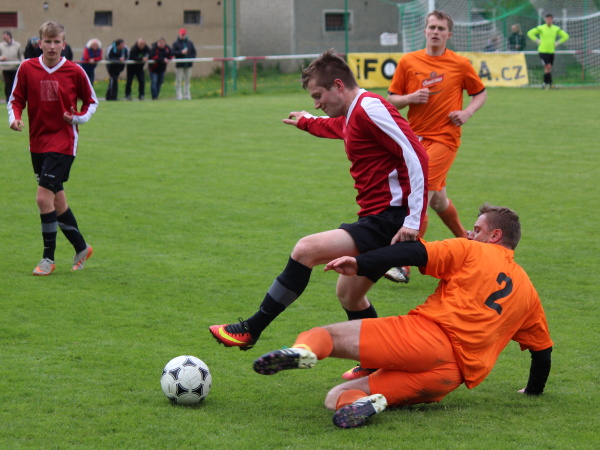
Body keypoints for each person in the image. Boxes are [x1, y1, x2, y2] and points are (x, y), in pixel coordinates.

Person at [209, 50, 428, 367]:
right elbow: (341, 127)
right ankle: (377, 363)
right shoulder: (355, 112)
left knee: (305, 250)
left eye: (318, 96)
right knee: (349, 294)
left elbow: (416, 153)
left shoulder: (370, 107)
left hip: (390, 219)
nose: (316, 104)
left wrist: (413, 220)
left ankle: (250, 329)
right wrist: (308, 122)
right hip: (379, 216)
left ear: (338, 85)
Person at [253, 204, 553, 429]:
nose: (470, 234)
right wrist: (533, 390)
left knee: (324, 336)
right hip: (448, 377)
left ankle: (303, 351)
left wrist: (360, 263)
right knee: (336, 396)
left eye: (476, 229)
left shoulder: (472, 250)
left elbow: (413, 253)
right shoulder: (529, 293)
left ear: (495, 235)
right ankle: (365, 404)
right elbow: (542, 352)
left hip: (424, 339)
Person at [385, 10, 487, 285]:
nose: (435, 32)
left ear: (448, 34)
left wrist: (467, 112)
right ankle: (470, 243)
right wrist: (410, 97)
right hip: (414, 139)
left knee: (420, 196)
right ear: (425, 31)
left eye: (441, 29)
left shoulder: (460, 63)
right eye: (432, 27)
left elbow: (480, 93)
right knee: (439, 199)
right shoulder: (408, 61)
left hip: (445, 138)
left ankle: (403, 264)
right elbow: (392, 99)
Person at [7, 21, 99, 276]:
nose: (52, 46)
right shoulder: (27, 68)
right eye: (47, 41)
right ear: (40, 43)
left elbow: (92, 101)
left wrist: (77, 118)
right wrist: (14, 118)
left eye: (56, 41)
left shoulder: (75, 71)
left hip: (63, 143)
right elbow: (16, 99)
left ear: (63, 44)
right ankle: (82, 248)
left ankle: (48, 258)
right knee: (57, 200)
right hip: (37, 142)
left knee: (42, 198)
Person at [527, 14, 569, 89]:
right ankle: (549, 84)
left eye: (550, 19)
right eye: (548, 19)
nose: (549, 20)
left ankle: (546, 84)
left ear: (552, 20)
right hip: (543, 51)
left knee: (548, 68)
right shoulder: (541, 28)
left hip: (551, 51)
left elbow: (566, 36)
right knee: (548, 66)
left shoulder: (556, 28)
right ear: (545, 20)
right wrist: (536, 40)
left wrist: (558, 42)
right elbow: (530, 33)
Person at [172, 28, 197, 100]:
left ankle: (187, 94)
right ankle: (179, 95)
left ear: (186, 34)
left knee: (187, 80)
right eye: (182, 34)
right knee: (179, 80)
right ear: (179, 34)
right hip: (180, 65)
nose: (183, 35)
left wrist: (191, 59)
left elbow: (194, 52)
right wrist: (181, 52)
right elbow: (173, 52)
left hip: (188, 65)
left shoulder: (190, 43)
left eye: (184, 34)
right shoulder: (175, 43)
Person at [0, 31, 23, 102]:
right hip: (6, 68)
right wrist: (1, 58)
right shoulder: (1, 45)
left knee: (15, 84)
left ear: (9, 36)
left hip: (15, 68)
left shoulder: (17, 45)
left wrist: (22, 63)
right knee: (8, 84)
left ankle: (16, 98)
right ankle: (8, 99)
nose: (3, 37)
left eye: (5, 35)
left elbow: (21, 55)